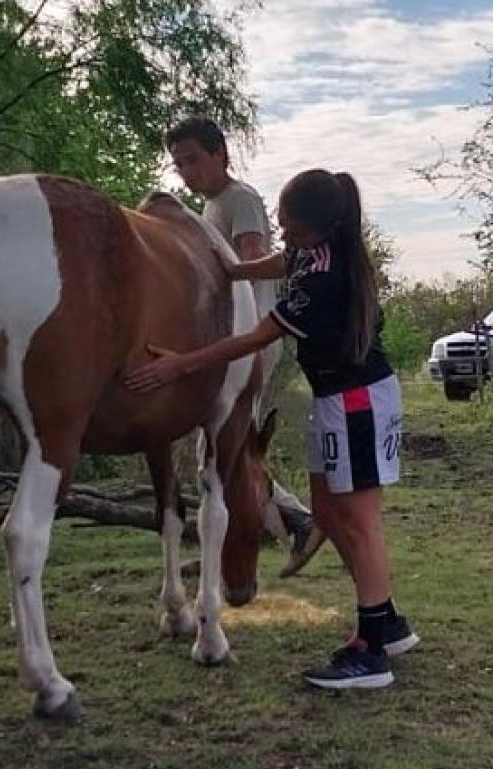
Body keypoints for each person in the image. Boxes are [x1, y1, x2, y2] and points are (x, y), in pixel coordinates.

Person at [126, 169, 419, 689]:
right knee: (326, 510)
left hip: (356, 402)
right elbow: (283, 261)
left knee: (358, 520)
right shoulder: (314, 250)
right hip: (334, 400)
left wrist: (183, 365)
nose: (285, 236)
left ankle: (371, 650)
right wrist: (235, 272)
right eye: (282, 225)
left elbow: (254, 338)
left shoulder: (324, 280)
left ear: (321, 231)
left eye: (294, 230)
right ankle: (388, 621)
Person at [165, 116, 325, 577]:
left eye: (194, 159)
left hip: (251, 337)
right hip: (228, 340)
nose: (187, 172)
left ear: (221, 154)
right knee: (222, 449)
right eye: (179, 165)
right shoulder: (211, 208)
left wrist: (218, 272)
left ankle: (291, 522)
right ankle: (277, 524)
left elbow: (254, 260)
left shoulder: (240, 200)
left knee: (228, 449)